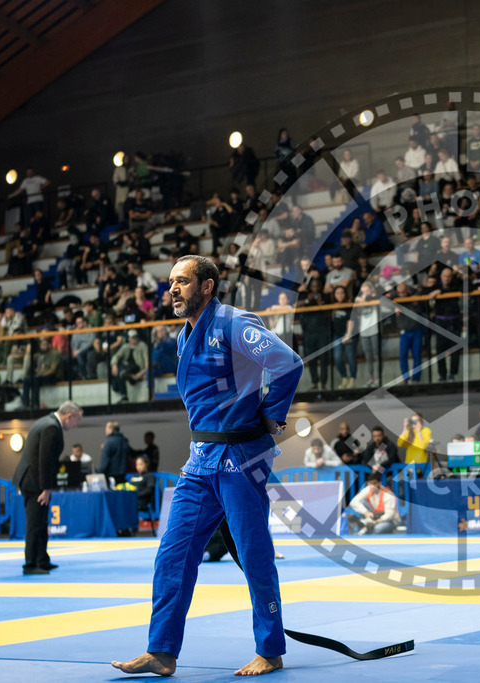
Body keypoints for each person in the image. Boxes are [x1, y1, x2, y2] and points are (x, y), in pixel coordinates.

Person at [112, 255, 302, 677]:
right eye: (170, 282)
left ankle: (270, 649)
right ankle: (161, 651)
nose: (173, 289)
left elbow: (288, 364)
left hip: (240, 456)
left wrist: (271, 413)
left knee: (254, 554)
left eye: (182, 281)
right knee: (172, 553)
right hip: (200, 461)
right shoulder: (185, 336)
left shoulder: (234, 324)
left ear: (207, 287)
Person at [12, 401, 83, 575]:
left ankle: (42, 559)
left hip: (33, 478)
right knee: (35, 523)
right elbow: (44, 460)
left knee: (42, 521)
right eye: (77, 420)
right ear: (69, 416)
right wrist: (46, 488)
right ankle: (30, 564)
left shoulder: (47, 422)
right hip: (34, 481)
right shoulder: (51, 427)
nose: (76, 425)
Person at [99, 421, 130, 486]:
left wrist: (100, 472)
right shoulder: (125, 441)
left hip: (110, 476)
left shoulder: (109, 442)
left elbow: (105, 460)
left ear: (111, 429)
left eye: (106, 428)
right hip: (123, 474)